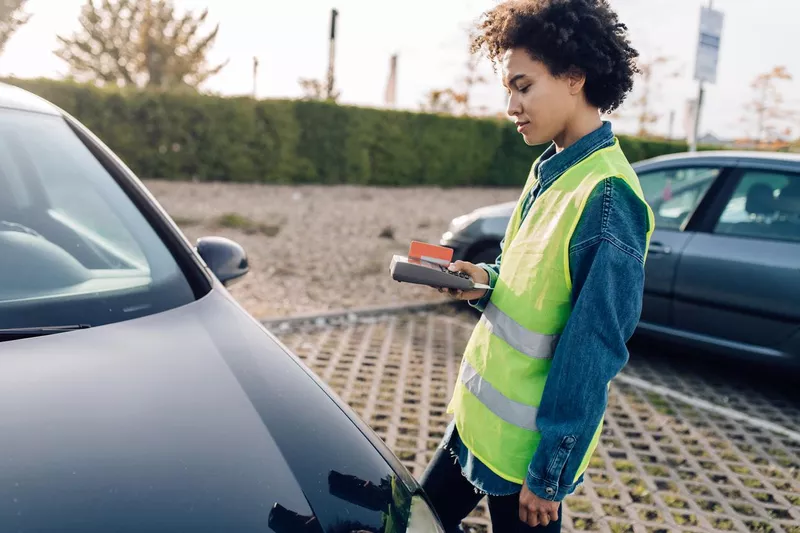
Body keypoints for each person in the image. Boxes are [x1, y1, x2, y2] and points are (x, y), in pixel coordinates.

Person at [420, 1, 654, 531]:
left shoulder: (609, 197)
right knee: (414, 520)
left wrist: (550, 474)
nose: (510, 105)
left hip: (526, 458)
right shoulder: (550, 164)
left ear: (574, 76)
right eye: (509, 89)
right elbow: (523, 277)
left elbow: (593, 348)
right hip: (475, 427)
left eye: (523, 86)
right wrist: (483, 282)